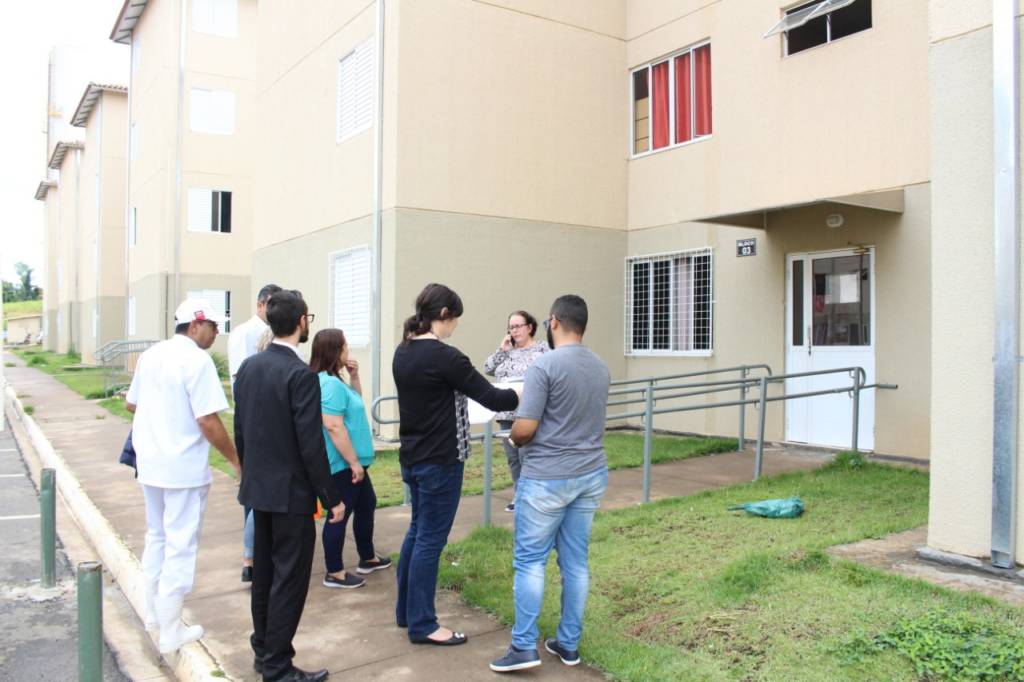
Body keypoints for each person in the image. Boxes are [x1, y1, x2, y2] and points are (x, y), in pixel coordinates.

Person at [393, 283, 519, 645]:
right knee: (430, 540)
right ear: (444, 315)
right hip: (441, 461)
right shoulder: (446, 357)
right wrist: (528, 388)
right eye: (455, 320)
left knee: (417, 532)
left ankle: (407, 613)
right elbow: (495, 398)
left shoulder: (403, 351)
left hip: (413, 457)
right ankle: (423, 624)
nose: (455, 328)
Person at [490, 295, 610, 673]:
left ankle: (524, 646)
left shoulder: (544, 366)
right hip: (591, 474)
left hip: (546, 478)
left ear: (553, 322)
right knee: (575, 563)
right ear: (583, 325)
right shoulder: (601, 367)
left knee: (530, 561)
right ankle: (568, 644)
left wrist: (512, 439)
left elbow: (525, 427)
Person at [234, 290, 345, 682]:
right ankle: (278, 666)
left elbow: (241, 430)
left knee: (264, 576)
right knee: (288, 581)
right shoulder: (299, 375)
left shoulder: (249, 367)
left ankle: (264, 653)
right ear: (302, 322)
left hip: (258, 490)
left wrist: (246, 474)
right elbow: (310, 444)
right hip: (290, 496)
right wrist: (330, 497)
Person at [125, 299, 240, 654]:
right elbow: (208, 420)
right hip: (183, 470)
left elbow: (132, 403)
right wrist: (237, 461)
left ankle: (154, 617)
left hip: (151, 464)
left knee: (156, 537)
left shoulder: (152, 355)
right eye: (214, 327)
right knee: (180, 545)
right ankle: (171, 629)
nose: (217, 333)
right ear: (195, 325)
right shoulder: (196, 360)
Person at [309, 328, 391, 590]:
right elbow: (334, 426)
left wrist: (354, 377)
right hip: (344, 463)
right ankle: (334, 572)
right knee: (339, 514)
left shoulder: (336, 381)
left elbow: (355, 403)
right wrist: (354, 462)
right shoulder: (329, 384)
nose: (348, 351)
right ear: (335, 351)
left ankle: (367, 558)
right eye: (345, 346)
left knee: (367, 504)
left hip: (353, 462)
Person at [228, 283, 282, 584]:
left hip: (267, 422)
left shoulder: (272, 333)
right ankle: (250, 557)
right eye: (273, 305)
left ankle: (259, 551)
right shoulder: (245, 334)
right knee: (255, 492)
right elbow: (240, 381)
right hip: (255, 422)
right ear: (262, 304)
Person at [483, 310, 548, 512]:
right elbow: (487, 368)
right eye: (511, 327)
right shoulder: (506, 351)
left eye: (518, 326)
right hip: (507, 414)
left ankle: (533, 496)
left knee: (528, 456)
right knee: (513, 458)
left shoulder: (543, 350)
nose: (514, 330)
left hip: (531, 412)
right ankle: (519, 495)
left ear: (529, 327)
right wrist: (502, 350)